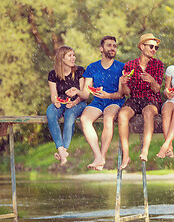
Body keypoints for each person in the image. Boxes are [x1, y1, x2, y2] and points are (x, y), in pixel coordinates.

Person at [66, 36, 125, 171]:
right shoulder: (92, 67)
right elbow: (86, 93)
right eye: (109, 45)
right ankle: (98, 156)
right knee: (84, 119)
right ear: (101, 48)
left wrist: (108, 95)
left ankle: (102, 157)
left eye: (114, 46)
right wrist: (77, 91)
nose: (112, 48)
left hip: (115, 101)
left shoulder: (122, 67)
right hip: (98, 101)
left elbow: (122, 94)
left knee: (108, 118)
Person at [118, 33, 164, 169]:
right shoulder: (130, 65)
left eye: (156, 48)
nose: (154, 50)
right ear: (142, 46)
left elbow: (157, 89)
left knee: (148, 113)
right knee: (122, 115)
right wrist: (124, 83)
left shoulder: (158, 64)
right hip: (135, 98)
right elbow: (127, 93)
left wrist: (152, 80)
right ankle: (126, 156)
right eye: (151, 46)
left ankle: (145, 150)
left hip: (151, 98)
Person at [46, 45, 86, 166]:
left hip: (78, 103)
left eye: (73, 55)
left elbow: (84, 95)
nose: (73, 57)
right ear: (62, 59)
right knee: (50, 113)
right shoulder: (53, 74)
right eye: (70, 55)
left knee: (69, 115)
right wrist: (56, 102)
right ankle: (60, 150)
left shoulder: (79, 71)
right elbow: (53, 95)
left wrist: (74, 102)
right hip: (62, 102)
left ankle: (64, 151)